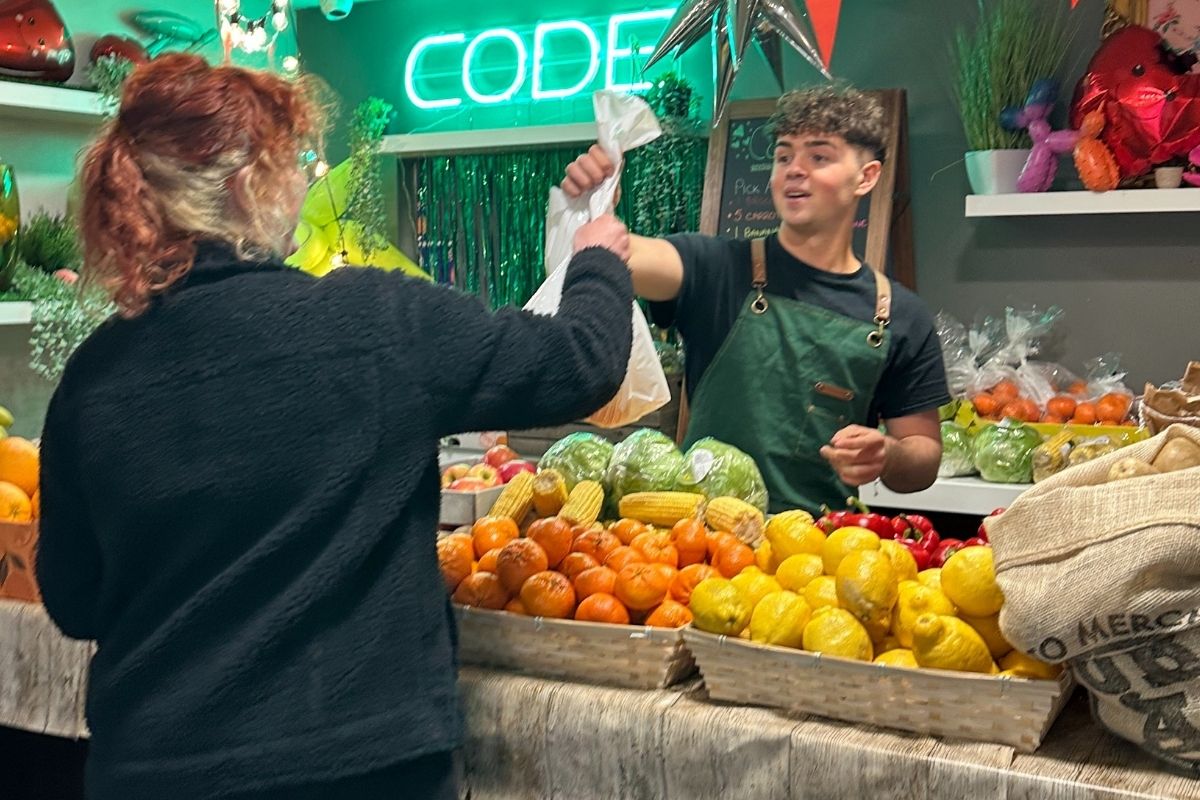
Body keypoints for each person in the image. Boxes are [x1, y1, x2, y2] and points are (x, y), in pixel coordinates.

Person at [35, 54, 634, 800]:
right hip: (360, 764)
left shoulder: (93, 378)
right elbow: (582, 361)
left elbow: (73, 598)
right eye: (294, 162)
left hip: (155, 765)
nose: (302, 182)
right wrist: (597, 259)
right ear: (245, 182)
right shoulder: (373, 321)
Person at [562, 86, 950, 514]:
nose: (794, 170)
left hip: (813, 557)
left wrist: (889, 455)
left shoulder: (900, 315)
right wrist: (590, 209)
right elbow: (614, 255)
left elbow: (923, 456)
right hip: (699, 550)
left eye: (819, 157)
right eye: (784, 156)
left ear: (867, 176)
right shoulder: (716, 268)